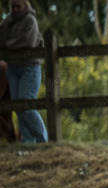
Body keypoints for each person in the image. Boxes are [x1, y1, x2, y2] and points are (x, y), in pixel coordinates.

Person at [0, 0, 47, 143]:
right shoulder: (7, 22)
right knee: (17, 106)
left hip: (29, 66)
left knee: (27, 104)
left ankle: (42, 139)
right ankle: (27, 140)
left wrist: (9, 45)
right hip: (13, 68)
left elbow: (27, 42)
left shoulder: (30, 21)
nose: (15, 9)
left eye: (18, 6)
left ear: (25, 6)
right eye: (13, 6)